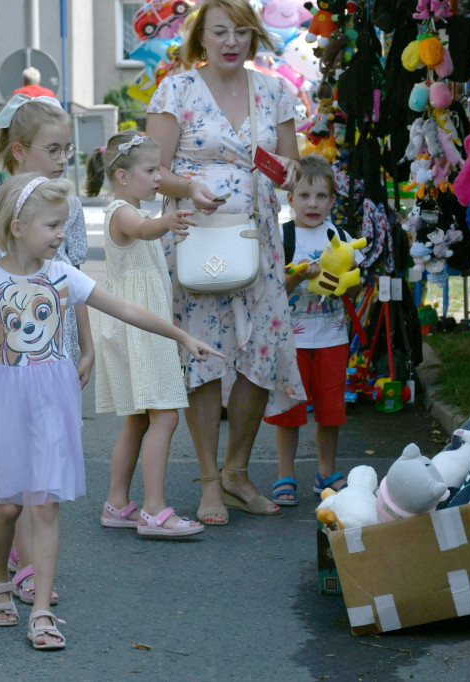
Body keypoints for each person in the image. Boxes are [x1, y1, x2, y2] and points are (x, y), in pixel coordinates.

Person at [0, 173, 221, 649]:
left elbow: (125, 309)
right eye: (52, 225)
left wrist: (181, 336)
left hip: (53, 400)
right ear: (17, 224)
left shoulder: (64, 274)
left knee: (44, 506)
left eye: (62, 225)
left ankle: (42, 610)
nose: (60, 235)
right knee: (8, 506)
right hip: (7, 401)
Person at [146, 0, 305, 526]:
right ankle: (210, 480)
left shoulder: (275, 90)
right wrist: (190, 185)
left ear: (254, 35)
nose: (231, 41)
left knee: (262, 352)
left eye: (241, 31)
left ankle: (238, 471)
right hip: (198, 240)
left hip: (258, 241)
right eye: (220, 32)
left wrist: (285, 171)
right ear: (202, 37)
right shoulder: (177, 89)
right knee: (205, 356)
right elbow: (151, 170)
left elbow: (292, 164)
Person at [0, 93, 93, 607]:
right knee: (18, 468)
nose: (61, 160)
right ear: (19, 152)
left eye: (67, 152)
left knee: (48, 465)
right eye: (53, 150)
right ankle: (21, 564)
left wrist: (87, 346)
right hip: (8, 354)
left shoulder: (65, 206)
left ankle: (30, 561)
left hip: (57, 350)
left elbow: (75, 280)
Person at [84, 132, 204, 538]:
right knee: (165, 415)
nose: (159, 177)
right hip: (140, 330)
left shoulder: (125, 207)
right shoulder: (122, 211)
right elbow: (142, 229)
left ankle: (118, 502)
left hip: (134, 328)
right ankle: (154, 509)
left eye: (160, 169)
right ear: (121, 175)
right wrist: (166, 222)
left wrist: (163, 222)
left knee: (138, 421)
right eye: (151, 170)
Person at [264, 155, 363, 505]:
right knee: (289, 411)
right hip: (291, 341)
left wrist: (342, 281)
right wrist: (298, 275)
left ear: (333, 201)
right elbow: (274, 289)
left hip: (333, 338)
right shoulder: (282, 236)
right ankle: (285, 474)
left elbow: (355, 288)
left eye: (321, 196)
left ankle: (326, 472)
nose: (313, 204)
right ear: (290, 199)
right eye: (304, 195)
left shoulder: (341, 237)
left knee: (330, 410)